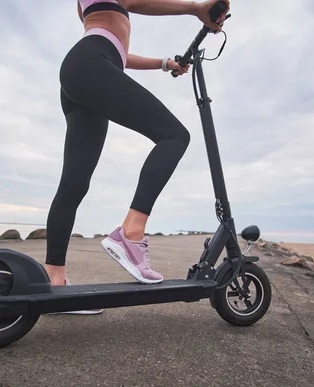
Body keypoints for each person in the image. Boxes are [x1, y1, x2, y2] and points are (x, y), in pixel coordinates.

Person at [44, 0, 230, 310]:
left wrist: (164, 63)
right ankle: (130, 233)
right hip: (90, 65)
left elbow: (119, 55)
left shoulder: (91, 11)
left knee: (74, 184)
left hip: (85, 70)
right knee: (174, 135)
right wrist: (196, 8)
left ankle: (54, 284)